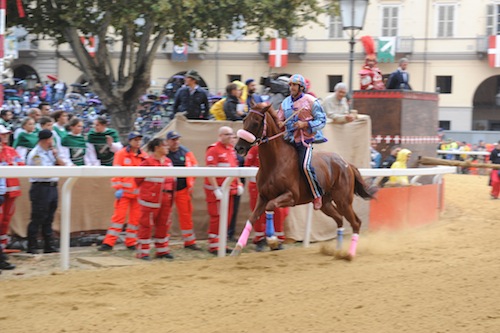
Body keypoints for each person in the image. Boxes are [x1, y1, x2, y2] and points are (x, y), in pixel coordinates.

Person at [277, 74, 326, 210]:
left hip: (305, 141)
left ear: (301, 87)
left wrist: (304, 125)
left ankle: (317, 194)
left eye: (294, 85)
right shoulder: (285, 103)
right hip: (288, 140)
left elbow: (322, 121)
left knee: (305, 166)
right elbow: (279, 119)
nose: (292, 87)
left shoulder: (311, 101)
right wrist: (279, 122)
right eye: (291, 85)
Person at [99, 131, 147, 251]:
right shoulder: (121, 154)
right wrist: (118, 188)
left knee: (135, 220)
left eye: (139, 140)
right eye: (135, 139)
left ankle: (131, 242)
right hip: (124, 193)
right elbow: (116, 173)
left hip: (137, 194)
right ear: (130, 141)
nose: (138, 142)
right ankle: (109, 243)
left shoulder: (144, 156)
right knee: (118, 219)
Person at [204, 126, 243, 254]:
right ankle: (214, 245)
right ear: (220, 136)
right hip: (217, 192)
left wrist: (239, 184)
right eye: (227, 134)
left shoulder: (231, 150)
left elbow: (234, 169)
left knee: (227, 217)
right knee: (217, 217)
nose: (230, 137)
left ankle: (222, 243)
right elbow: (210, 171)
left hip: (229, 191)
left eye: (232, 134)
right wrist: (216, 189)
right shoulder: (213, 149)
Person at [26, 129, 66, 254]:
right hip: (41, 187)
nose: (52, 142)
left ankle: (49, 245)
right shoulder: (36, 154)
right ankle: (32, 246)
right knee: (38, 217)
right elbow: (44, 173)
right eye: (51, 139)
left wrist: (56, 155)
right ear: (46, 140)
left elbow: (63, 165)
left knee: (49, 217)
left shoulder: (50, 152)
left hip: (52, 186)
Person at [135, 138, 175, 260]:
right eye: (165, 145)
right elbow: (138, 179)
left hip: (166, 198)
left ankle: (162, 250)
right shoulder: (147, 161)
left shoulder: (168, 161)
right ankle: (143, 252)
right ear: (157, 147)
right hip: (150, 199)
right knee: (146, 225)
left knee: (163, 224)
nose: (167, 147)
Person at [245, 145, 288, 251]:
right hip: (257, 185)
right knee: (258, 212)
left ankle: (276, 240)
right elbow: (247, 166)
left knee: (278, 212)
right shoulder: (255, 149)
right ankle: (260, 239)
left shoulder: (279, 148)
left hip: (275, 185)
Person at [165, 130, 202, 251]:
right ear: (167, 141)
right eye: (173, 139)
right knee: (165, 216)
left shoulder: (186, 152)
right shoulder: (163, 152)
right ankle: (163, 241)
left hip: (182, 190)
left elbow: (195, 167)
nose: (176, 142)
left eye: (177, 139)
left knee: (186, 215)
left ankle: (189, 241)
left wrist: (190, 183)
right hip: (167, 190)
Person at [0, 126, 23, 251]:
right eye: (2, 134)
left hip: (12, 191)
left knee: (6, 220)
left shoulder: (11, 150)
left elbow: (21, 165)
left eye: (6, 134)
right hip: (1, 192)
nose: (5, 136)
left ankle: (2, 247)